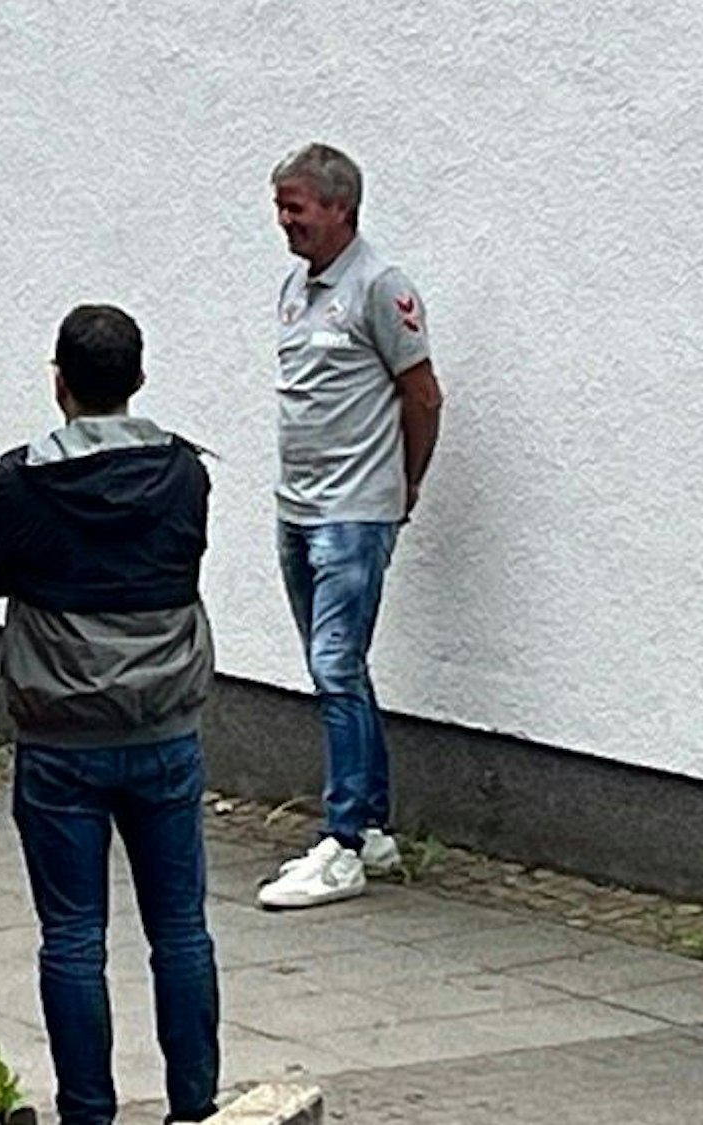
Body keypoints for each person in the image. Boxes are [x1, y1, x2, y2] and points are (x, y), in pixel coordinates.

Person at [0, 305, 219, 1125]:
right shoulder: (186, 473)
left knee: (73, 937)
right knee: (180, 930)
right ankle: (196, 1107)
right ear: (138, 379)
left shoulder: (18, 480)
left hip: (59, 741)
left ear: (59, 383)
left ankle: (88, 1113)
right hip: (164, 732)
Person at [256, 143, 445, 911]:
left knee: (335, 666)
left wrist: (405, 487)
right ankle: (370, 828)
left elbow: (423, 395)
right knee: (339, 668)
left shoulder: (380, 287)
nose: (285, 221)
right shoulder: (298, 290)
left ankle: (340, 843)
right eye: (281, 207)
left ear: (341, 207)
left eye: (296, 206)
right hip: (297, 507)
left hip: (354, 512)